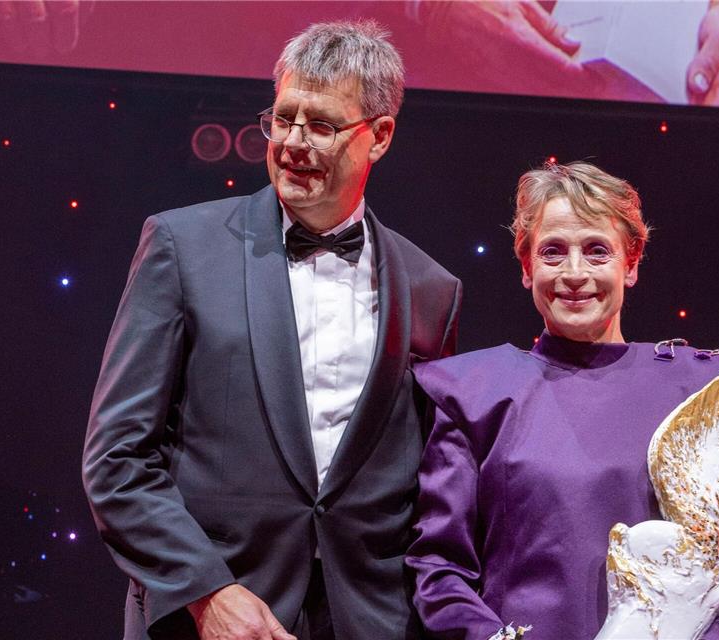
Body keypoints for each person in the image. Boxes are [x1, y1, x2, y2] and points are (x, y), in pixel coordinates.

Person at [82, 21, 461, 640]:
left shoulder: (431, 288)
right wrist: (207, 592)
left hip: (368, 620)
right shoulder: (182, 246)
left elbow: (423, 480)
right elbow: (116, 459)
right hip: (212, 614)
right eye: (283, 118)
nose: (292, 143)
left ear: (380, 136)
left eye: (322, 125)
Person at [406, 161, 719, 638]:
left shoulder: (704, 389)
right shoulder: (477, 394)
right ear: (526, 267)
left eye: (596, 251)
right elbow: (441, 569)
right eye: (552, 252)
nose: (574, 273)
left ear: (630, 264)